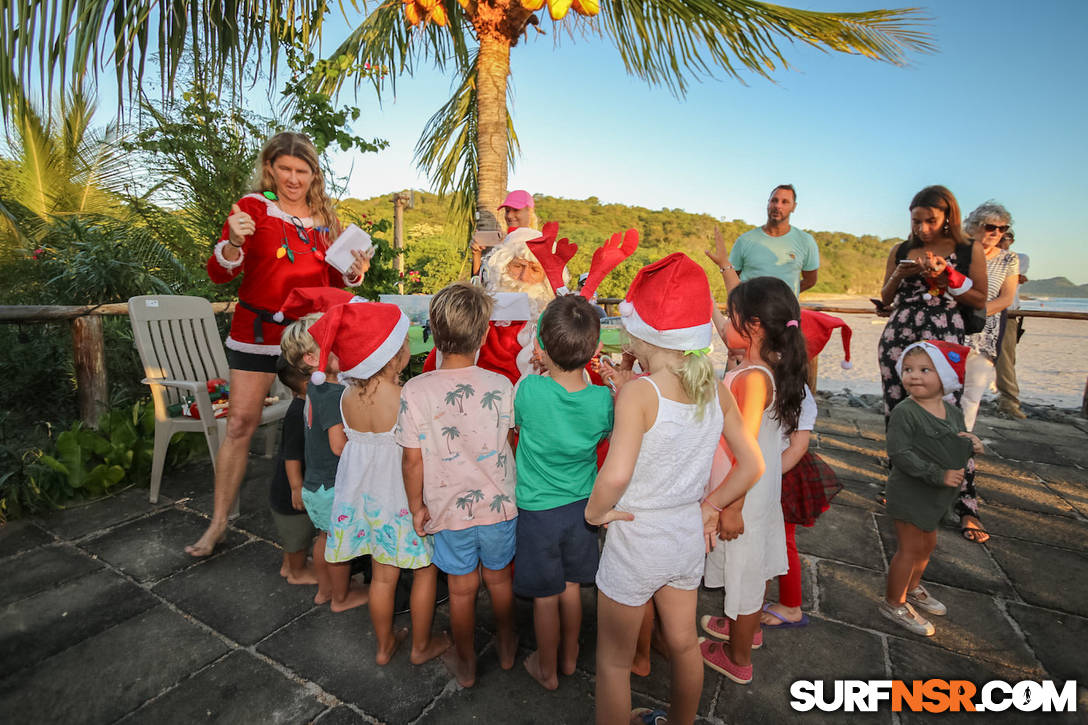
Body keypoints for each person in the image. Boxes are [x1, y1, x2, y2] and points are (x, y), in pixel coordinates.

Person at [586, 253, 762, 725]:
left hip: (637, 538)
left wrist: (595, 512)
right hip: (685, 535)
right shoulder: (716, 388)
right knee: (685, 645)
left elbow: (617, 475)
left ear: (642, 331)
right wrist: (711, 504)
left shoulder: (640, 393)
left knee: (613, 661)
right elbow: (751, 465)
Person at [187, 131, 370, 557]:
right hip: (255, 334)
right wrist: (233, 241)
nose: (292, 178)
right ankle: (217, 524)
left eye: (301, 171)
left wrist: (353, 273)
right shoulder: (251, 210)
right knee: (239, 425)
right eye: (284, 169)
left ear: (313, 174)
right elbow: (218, 274)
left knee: (321, 428)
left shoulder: (326, 220)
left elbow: (333, 282)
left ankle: (327, 528)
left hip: (307, 338)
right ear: (269, 168)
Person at [307, 302, 451, 667]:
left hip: (366, 500)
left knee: (382, 577)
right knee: (424, 570)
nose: (407, 349)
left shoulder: (343, 396)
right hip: (402, 497)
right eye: (402, 344)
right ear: (390, 357)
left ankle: (384, 646)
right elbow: (419, 453)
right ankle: (421, 646)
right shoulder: (407, 398)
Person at [396, 282, 519, 688]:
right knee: (500, 580)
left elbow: (411, 459)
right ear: (484, 335)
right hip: (499, 507)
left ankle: (465, 663)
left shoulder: (415, 390)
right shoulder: (501, 385)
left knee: (462, 590)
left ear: (432, 327)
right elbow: (510, 438)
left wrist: (417, 506)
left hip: (448, 510)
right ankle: (506, 645)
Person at [700, 276, 809, 686]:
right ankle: (745, 627)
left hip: (742, 494)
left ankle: (737, 656)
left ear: (755, 326)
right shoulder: (763, 369)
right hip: (755, 493)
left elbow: (744, 451)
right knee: (751, 567)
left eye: (731, 316)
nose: (725, 322)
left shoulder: (751, 378)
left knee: (746, 574)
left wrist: (731, 506)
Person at [513, 295, 614, 691]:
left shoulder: (529, 392)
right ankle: (571, 657)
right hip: (582, 510)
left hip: (538, 511)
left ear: (539, 346)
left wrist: (537, 371)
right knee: (572, 587)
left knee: (545, 596)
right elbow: (603, 435)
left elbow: (518, 426)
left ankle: (547, 666)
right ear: (596, 348)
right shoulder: (602, 400)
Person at [881, 341, 983, 636]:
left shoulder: (952, 413)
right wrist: (937, 474)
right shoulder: (905, 412)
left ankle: (912, 588)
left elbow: (956, 443)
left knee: (928, 545)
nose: (914, 376)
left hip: (936, 496)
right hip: (910, 492)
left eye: (925, 369)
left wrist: (973, 444)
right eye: (908, 369)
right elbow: (899, 454)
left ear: (947, 376)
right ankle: (893, 602)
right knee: (909, 549)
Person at [877, 186, 988, 420]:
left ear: (949, 218)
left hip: (944, 330)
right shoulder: (901, 249)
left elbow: (980, 298)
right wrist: (899, 274)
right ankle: (900, 455)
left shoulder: (968, 249)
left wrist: (945, 279)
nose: (922, 229)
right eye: (916, 221)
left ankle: (939, 454)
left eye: (931, 221)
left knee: (942, 401)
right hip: (899, 330)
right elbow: (886, 297)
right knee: (896, 398)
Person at [297, 314, 370, 612]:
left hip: (314, 484)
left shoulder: (315, 388)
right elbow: (339, 446)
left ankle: (324, 590)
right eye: (336, 346)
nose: (345, 350)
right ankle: (341, 598)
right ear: (312, 358)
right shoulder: (335, 396)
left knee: (324, 538)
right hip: (332, 486)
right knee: (340, 546)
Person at [960, 202, 1018, 431]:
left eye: (1003, 228)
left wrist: (973, 314)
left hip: (984, 334)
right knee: (942, 389)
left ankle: (960, 447)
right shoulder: (957, 254)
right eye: (990, 227)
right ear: (973, 227)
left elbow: (1006, 298)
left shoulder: (1008, 259)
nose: (997, 233)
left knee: (972, 394)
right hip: (950, 329)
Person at [711, 185, 820, 297]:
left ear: (794, 207)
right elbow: (732, 278)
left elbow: (810, 281)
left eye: (785, 202)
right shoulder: (744, 240)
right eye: (774, 200)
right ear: (768, 203)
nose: (778, 206)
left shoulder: (806, 241)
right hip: (748, 312)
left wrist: (784, 298)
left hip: (787, 313)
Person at [268, 357, 317, 586]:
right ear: (308, 386)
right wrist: (297, 487)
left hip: (285, 489)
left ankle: (288, 565)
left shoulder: (303, 406)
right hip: (291, 491)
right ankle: (297, 572)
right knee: (298, 536)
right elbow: (291, 455)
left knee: (292, 538)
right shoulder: (299, 413)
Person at [994, 230, 1029, 419]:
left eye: (1004, 237)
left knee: (1005, 360)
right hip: (981, 311)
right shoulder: (980, 256)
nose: (999, 240)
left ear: (1012, 240)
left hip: (1007, 314)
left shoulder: (1018, 258)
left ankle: (1009, 401)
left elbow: (1006, 279)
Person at [471, 189, 540, 277]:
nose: (509, 216)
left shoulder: (539, 243)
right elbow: (482, 283)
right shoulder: (501, 245)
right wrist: (476, 253)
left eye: (516, 210)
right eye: (507, 211)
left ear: (529, 212)